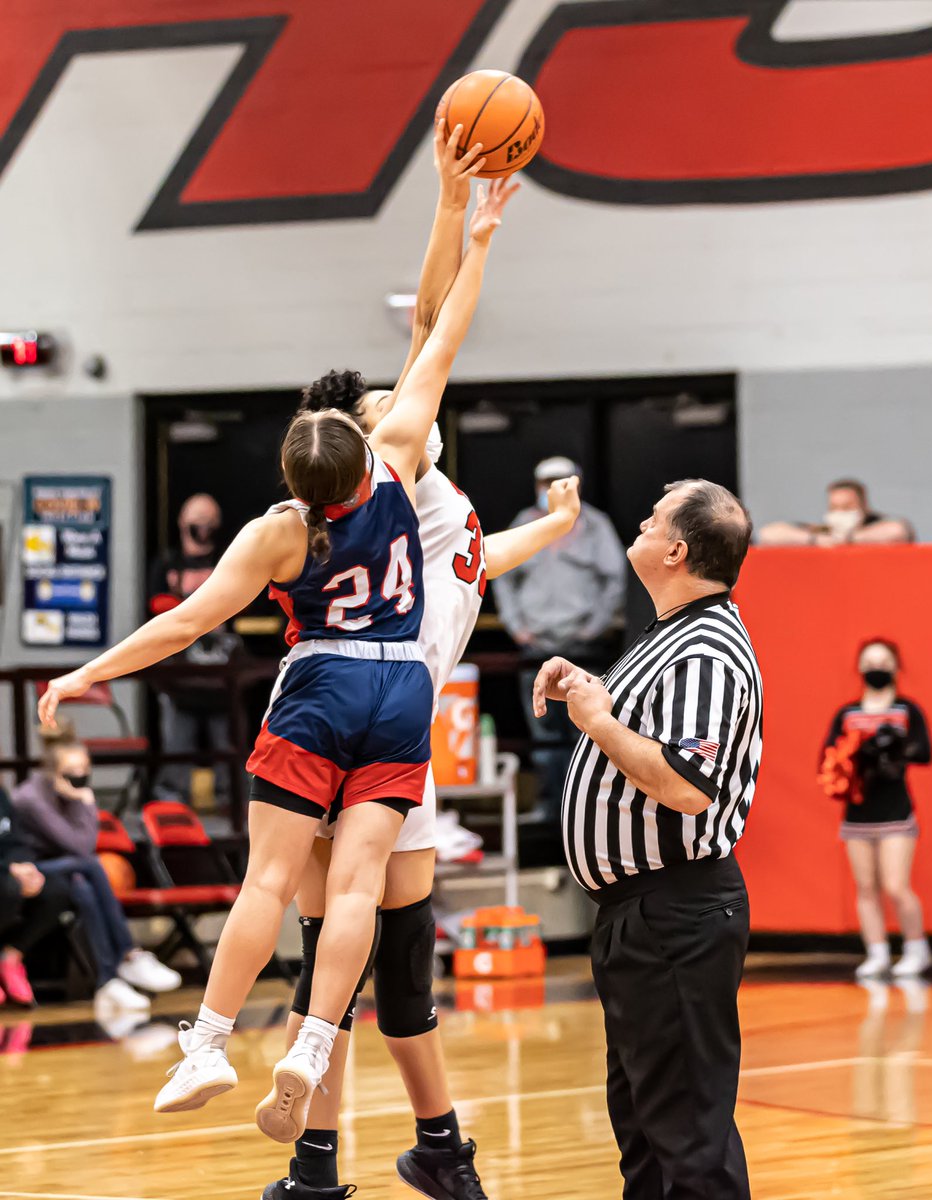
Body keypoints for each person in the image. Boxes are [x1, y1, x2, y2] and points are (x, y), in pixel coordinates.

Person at [38, 170, 512, 1144]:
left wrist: (89, 673)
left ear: (295, 475)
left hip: (322, 681)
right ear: (365, 447)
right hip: (403, 691)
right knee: (357, 894)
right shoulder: (401, 461)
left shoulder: (276, 534)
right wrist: (478, 233)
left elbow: (183, 628)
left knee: (271, 882)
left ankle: (211, 1040)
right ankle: (311, 1041)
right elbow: (440, 335)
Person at [260, 120, 579, 1200]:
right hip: (369, 721)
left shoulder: (442, 506)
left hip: (371, 730)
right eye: (381, 407)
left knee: (360, 972)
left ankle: (350, 1163)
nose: (399, 404)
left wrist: (552, 529)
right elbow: (436, 329)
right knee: (359, 972)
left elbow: (488, 555)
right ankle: (404, 1156)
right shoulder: (397, 484)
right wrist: (455, 214)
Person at [534, 479, 762, 1200]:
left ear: (677, 549)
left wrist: (599, 721)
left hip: (676, 913)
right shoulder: (671, 635)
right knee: (644, 1127)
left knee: (688, 1133)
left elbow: (688, 785)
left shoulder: (705, 650)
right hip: (641, 916)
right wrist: (587, 686)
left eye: (654, 518)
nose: (638, 521)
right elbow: (648, 728)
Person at [11, 724, 181, 1007]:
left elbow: (82, 846)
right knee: (89, 865)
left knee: (83, 887)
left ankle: (108, 979)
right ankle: (128, 954)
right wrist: (87, 804)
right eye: (72, 772)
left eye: (84, 770)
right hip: (30, 871)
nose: (80, 778)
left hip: (67, 872)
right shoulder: (31, 798)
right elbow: (81, 846)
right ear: (54, 772)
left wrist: (78, 802)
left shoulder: (67, 794)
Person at [494, 457, 626, 818]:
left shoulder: (596, 526)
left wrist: (594, 626)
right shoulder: (524, 523)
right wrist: (514, 624)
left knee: (590, 728)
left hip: (582, 646)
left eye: (560, 480)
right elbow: (500, 574)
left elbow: (615, 579)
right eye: (545, 481)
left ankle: (590, 811)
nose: (551, 487)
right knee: (542, 732)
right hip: (534, 645)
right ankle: (551, 807)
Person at [819, 639, 932, 979]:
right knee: (865, 886)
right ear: (859, 668)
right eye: (870, 662)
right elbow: (827, 758)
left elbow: (925, 751)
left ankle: (916, 947)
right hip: (858, 812)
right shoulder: (848, 713)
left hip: (896, 811)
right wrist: (855, 757)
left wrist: (897, 752)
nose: (876, 669)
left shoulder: (906, 710)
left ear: (897, 667)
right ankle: (877, 951)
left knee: (896, 885)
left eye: (883, 662)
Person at [147, 492, 238, 801]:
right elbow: (154, 608)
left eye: (209, 522)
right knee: (176, 750)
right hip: (178, 680)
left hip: (223, 680)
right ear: (182, 523)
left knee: (229, 750)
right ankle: (172, 815)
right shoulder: (167, 563)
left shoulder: (230, 561)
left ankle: (235, 810)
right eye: (196, 522)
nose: (203, 528)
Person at [0, 785, 73, 1007]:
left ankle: (10, 957)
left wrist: (24, 866)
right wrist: (8, 869)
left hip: (10, 871)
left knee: (56, 890)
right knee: (9, 889)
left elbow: (16, 841)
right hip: (4, 874)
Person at [757, 479, 913, 546]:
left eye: (847, 507)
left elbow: (898, 530)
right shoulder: (824, 531)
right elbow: (767, 534)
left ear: (864, 506)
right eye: (834, 507)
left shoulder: (875, 523)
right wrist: (814, 540)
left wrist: (850, 538)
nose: (840, 513)